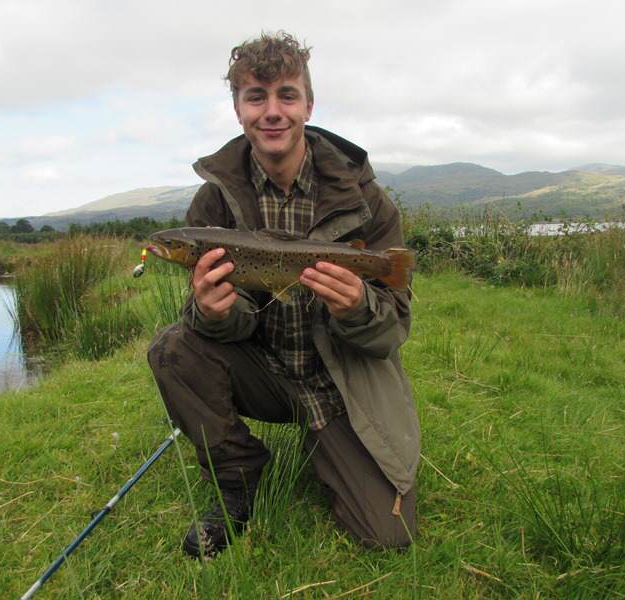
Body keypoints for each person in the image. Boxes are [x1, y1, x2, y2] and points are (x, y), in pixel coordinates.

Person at [147, 31, 420, 558]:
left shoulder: (366, 200)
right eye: (256, 96)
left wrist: (358, 306)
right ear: (238, 109)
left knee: (389, 535)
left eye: (286, 96)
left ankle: (331, 447)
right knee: (172, 347)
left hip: (342, 383)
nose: (272, 111)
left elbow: (393, 331)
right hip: (267, 374)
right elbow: (221, 325)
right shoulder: (213, 204)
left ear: (308, 105)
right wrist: (212, 313)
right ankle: (239, 473)